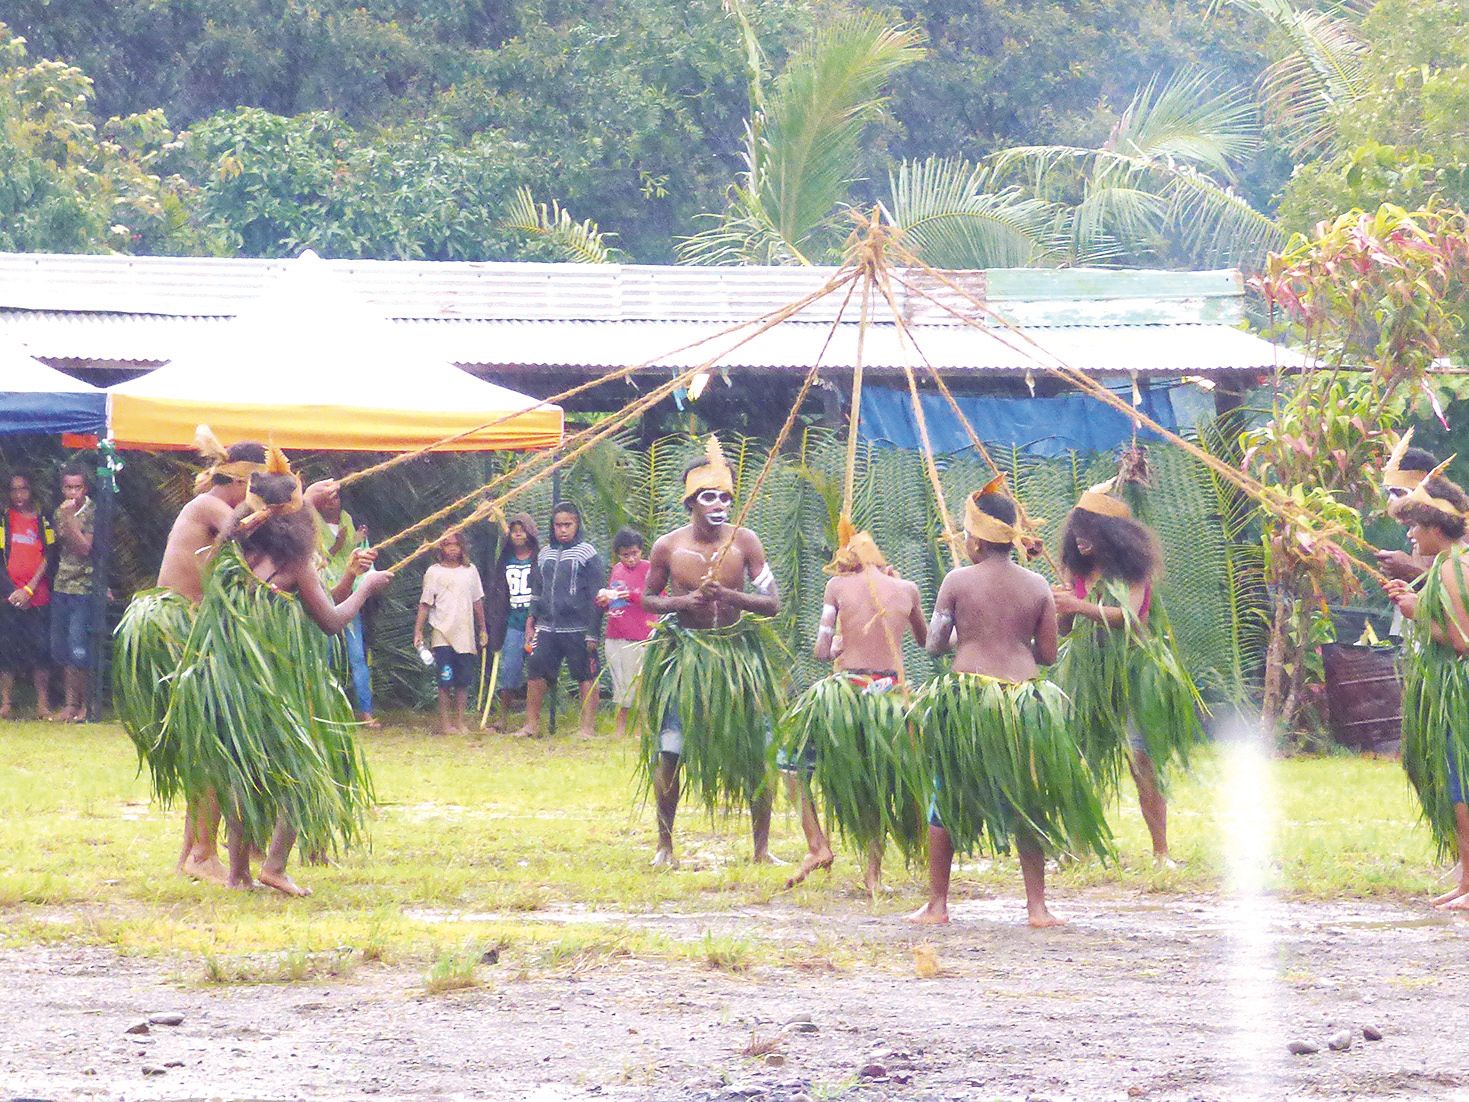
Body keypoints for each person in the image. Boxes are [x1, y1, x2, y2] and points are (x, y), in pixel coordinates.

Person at [160, 451, 393, 896]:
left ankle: (238, 874)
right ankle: (274, 867)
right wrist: (365, 588)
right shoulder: (296, 563)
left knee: (244, 772)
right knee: (304, 770)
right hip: (267, 681)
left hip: (224, 677)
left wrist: (346, 575)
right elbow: (330, 620)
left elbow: (303, 600)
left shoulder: (231, 554)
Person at [910, 480, 1111, 927]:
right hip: (1023, 702)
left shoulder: (956, 580)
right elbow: (1048, 655)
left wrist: (972, 637)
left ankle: (938, 905)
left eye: (966, 534)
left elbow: (935, 644)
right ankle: (1037, 907)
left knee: (947, 795)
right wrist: (1009, 640)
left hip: (969, 701)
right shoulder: (1037, 585)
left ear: (976, 540)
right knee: (1027, 798)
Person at [116, 435, 268, 885]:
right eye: (259, 484)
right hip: (173, 628)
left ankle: (192, 852)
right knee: (213, 742)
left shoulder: (210, 507)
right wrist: (299, 504)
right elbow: (247, 529)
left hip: (183, 628)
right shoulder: (208, 506)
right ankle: (202, 853)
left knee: (206, 743)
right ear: (244, 481)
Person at [633, 437, 784, 868]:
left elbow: (772, 603)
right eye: (709, 497)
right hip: (687, 656)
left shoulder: (745, 542)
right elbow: (647, 599)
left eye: (725, 497)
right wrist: (684, 602)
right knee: (670, 750)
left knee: (760, 751)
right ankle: (665, 846)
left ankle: (761, 849)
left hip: (738, 657)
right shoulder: (667, 547)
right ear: (691, 501)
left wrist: (730, 596)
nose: (719, 505)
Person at [1051, 478, 1205, 865]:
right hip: (1088, 676)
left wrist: (1078, 606)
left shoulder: (1134, 572)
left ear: (1111, 534)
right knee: (1080, 758)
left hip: (1137, 674)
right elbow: (1065, 630)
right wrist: (1061, 606)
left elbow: (1132, 618)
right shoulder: (1078, 574)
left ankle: (1161, 852)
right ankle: (1076, 848)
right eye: (1077, 531)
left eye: (1089, 531)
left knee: (1143, 761)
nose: (1081, 539)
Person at [779, 517, 927, 896]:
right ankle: (873, 874)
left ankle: (817, 845)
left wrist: (838, 645)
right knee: (878, 777)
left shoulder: (837, 586)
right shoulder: (907, 588)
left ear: (847, 561)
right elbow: (928, 640)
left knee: (790, 763)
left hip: (848, 691)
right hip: (891, 696)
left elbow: (821, 649)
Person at [1382, 463, 1469, 911]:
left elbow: (1461, 640)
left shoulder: (1454, 567)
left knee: (1461, 785)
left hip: (1460, 688)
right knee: (1457, 783)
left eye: (1416, 526)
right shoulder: (1451, 564)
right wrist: (1416, 599)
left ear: (1436, 527)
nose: (1411, 535)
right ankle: (1466, 879)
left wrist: (1418, 613)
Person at [517, 502, 605, 740]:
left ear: (577, 525)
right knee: (535, 670)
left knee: (586, 675)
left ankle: (587, 729)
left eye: (568, 524)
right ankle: (531, 725)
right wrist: (531, 620)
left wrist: (593, 632)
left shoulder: (588, 554)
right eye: (558, 525)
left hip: (578, 628)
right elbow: (537, 590)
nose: (563, 530)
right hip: (546, 627)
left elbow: (598, 596)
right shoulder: (544, 554)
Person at [315, 481, 378, 727]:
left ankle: (366, 712)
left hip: (349, 595)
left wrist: (358, 542)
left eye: (336, 498)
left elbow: (353, 554)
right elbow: (316, 558)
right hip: (324, 595)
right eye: (327, 499)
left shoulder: (347, 519)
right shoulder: (312, 523)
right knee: (326, 657)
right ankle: (326, 711)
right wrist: (338, 545)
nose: (333, 503)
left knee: (357, 656)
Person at [414, 531, 487, 737]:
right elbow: (425, 603)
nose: (452, 548)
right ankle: (446, 724)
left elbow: (477, 602)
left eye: (456, 544)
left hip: (465, 635)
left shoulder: (470, 571)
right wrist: (418, 630)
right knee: (445, 680)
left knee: (463, 682)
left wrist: (483, 628)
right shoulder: (434, 572)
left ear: (463, 547)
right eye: (447, 544)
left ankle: (460, 722)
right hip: (442, 634)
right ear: (441, 548)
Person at [0, 473, 55, 719]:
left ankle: (42, 704)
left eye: (23, 489)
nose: (19, 495)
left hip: (37, 597)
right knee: (7, 648)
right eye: (14, 490)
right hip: (9, 597)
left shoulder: (43, 520)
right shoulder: (4, 520)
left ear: (31, 490)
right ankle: (6, 703)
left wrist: (29, 590)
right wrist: (12, 591)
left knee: (40, 649)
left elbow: (50, 555)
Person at [1379, 431, 1441, 639]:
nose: (1391, 502)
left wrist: (1413, 571)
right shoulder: (1418, 534)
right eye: (1389, 493)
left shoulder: (1458, 529)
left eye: (1398, 493)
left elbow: (1460, 596)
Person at [597, 527, 654, 740]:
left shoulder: (649, 569)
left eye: (634, 553)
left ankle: (640, 729)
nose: (630, 559)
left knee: (637, 684)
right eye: (625, 555)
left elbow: (656, 598)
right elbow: (613, 602)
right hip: (615, 634)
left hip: (639, 636)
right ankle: (620, 729)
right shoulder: (617, 570)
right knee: (620, 684)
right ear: (618, 555)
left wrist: (629, 595)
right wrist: (604, 601)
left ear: (641, 550)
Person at [484, 512, 540, 727]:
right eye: (514, 531)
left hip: (537, 623)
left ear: (530, 533)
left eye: (522, 531)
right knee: (509, 669)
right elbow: (498, 593)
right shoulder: (505, 561)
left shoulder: (539, 559)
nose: (518, 535)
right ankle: (503, 717)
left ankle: (533, 719)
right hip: (513, 623)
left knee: (537, 669)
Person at [49, 466, 96, 722]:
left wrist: (70, 519)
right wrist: (65, 517)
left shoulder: (92, 511)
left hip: (84, 587)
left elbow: (83, 548)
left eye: (77, 487)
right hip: (62, 585)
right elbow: (61, 544)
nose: (72, 492)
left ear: (85, 488)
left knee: (80, 648)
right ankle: (70, 705)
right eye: (68, 487)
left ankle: (87, 706)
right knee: (64, 648)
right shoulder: (59, 511)